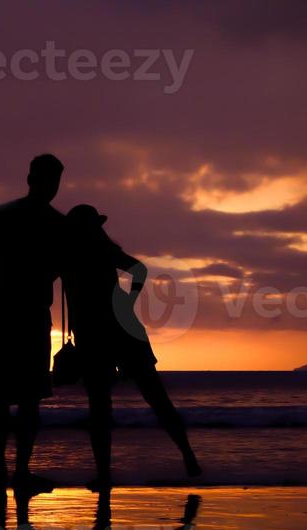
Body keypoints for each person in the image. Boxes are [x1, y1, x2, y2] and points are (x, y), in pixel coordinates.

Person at [62, 204, 202, 485]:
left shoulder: (68, 256)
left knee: (100, 406)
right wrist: (128, 301)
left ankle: (104, 475)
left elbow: (138, 269)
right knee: (155, 396)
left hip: (94, 334)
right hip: (123, 327)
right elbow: (138, 269)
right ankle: (187, 455)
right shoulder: (102, 250)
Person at [0, 155, 65, 494]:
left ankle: (10, 474)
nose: (50, 187)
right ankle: (8, 473)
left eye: (54, 181)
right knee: (14, 395)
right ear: (33, 179)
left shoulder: (22, 217)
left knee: (14, 395)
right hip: (16, 315)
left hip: (19, 315)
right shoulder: (18, 216)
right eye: (48, 180)